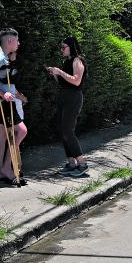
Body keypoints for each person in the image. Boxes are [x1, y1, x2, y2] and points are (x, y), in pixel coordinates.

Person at [0, 28, 28, 182]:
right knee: (22, 131)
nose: (18, 43)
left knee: (2, 135)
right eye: (17, 40)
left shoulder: (1, 55)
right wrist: (3, 94)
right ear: (10, 41)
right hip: (2, 102)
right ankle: (5, 167)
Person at [46, 36, 88, 177]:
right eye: (61, 47)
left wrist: (60, 72)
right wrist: (55, 74)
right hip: (64, 96)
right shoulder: (67, 61)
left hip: (73, 98)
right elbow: (64, 82)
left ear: (71, 47)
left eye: (64, 47)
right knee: (62, 130)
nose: (61, 49)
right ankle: (71, 163)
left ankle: (82, 163)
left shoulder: (77, 60)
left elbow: (76, 81)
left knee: (68, 131)